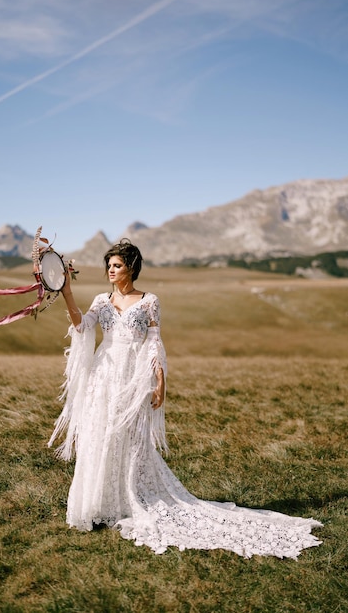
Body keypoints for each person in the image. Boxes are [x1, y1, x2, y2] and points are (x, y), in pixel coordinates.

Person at [48, 239, 322, 557]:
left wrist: (160, 381)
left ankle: (131, 498)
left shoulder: (149, 300)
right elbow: (82, 326)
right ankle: (98, 505)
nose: (111, 270)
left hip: (133, 378)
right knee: (101, 436)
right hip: (104, 376)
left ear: (132, 268)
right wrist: (66, 291)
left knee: (132, 441)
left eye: (117, 265)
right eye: (109, 265)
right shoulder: (101, 300)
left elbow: (154, 342)